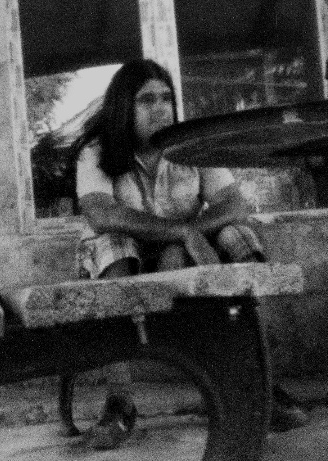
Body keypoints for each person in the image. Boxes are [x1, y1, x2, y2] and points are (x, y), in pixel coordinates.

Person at [72, 58, 307, 449]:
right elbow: (101, 214)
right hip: (122, 266)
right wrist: (182, 231)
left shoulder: (190, 146)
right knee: (114, 245)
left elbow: (234, 203)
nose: (160, 108)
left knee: (237, 234)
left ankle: (259, 384)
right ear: (123, 107)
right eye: (146, 100)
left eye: (166, 98)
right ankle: (120, 402)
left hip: (180, 256)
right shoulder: (96, 151)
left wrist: (188, 236)